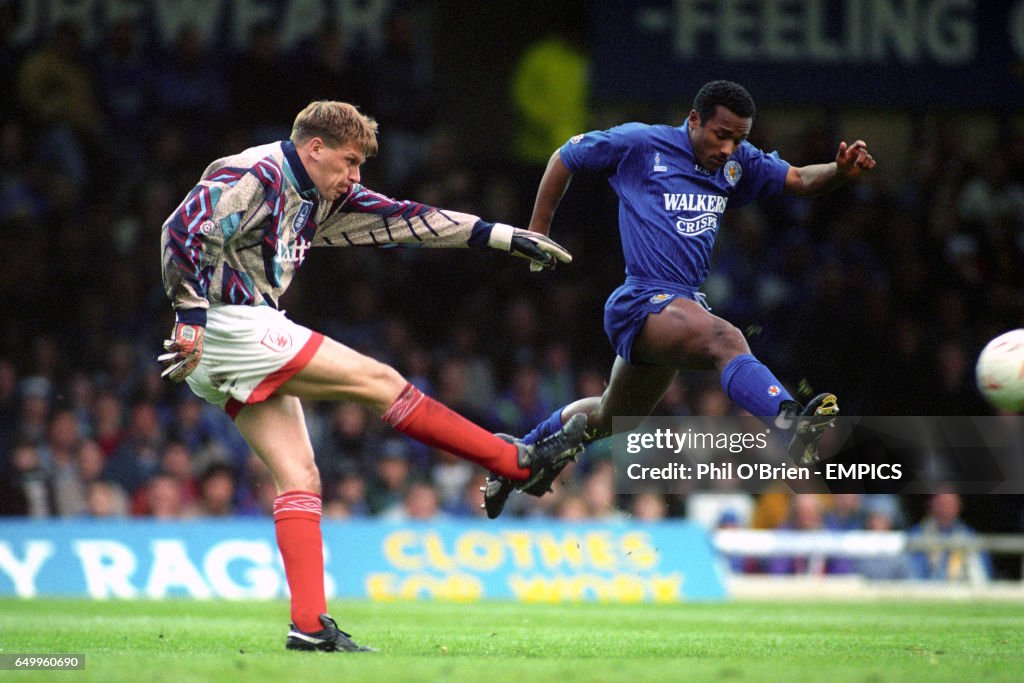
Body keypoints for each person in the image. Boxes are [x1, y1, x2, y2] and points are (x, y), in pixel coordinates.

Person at [157, 100, 587, 653]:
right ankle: (515, 463)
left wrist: (503, 236)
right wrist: (190, 317)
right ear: (314, 149)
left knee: (301, 478)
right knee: (380, 381)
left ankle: (309, 628)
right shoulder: (255, 173)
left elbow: (409, 220)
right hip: (229, 325)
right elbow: (180, 230)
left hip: (232, 341)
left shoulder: (321, 197)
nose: (355, 176)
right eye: (349, 161)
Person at [483, 80, 876, 517]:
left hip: (681, 307)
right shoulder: (640, 142)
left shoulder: (736, 163)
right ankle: (791, 423)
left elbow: (800, 178)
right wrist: (537, 231)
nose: (729, 148)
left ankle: (518, 456)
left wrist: (839, 171)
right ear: (693, 120)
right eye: (721, 135)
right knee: (727, 340)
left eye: (739, 139)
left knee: (613, 415)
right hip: (642, 300)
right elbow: (565, 156)